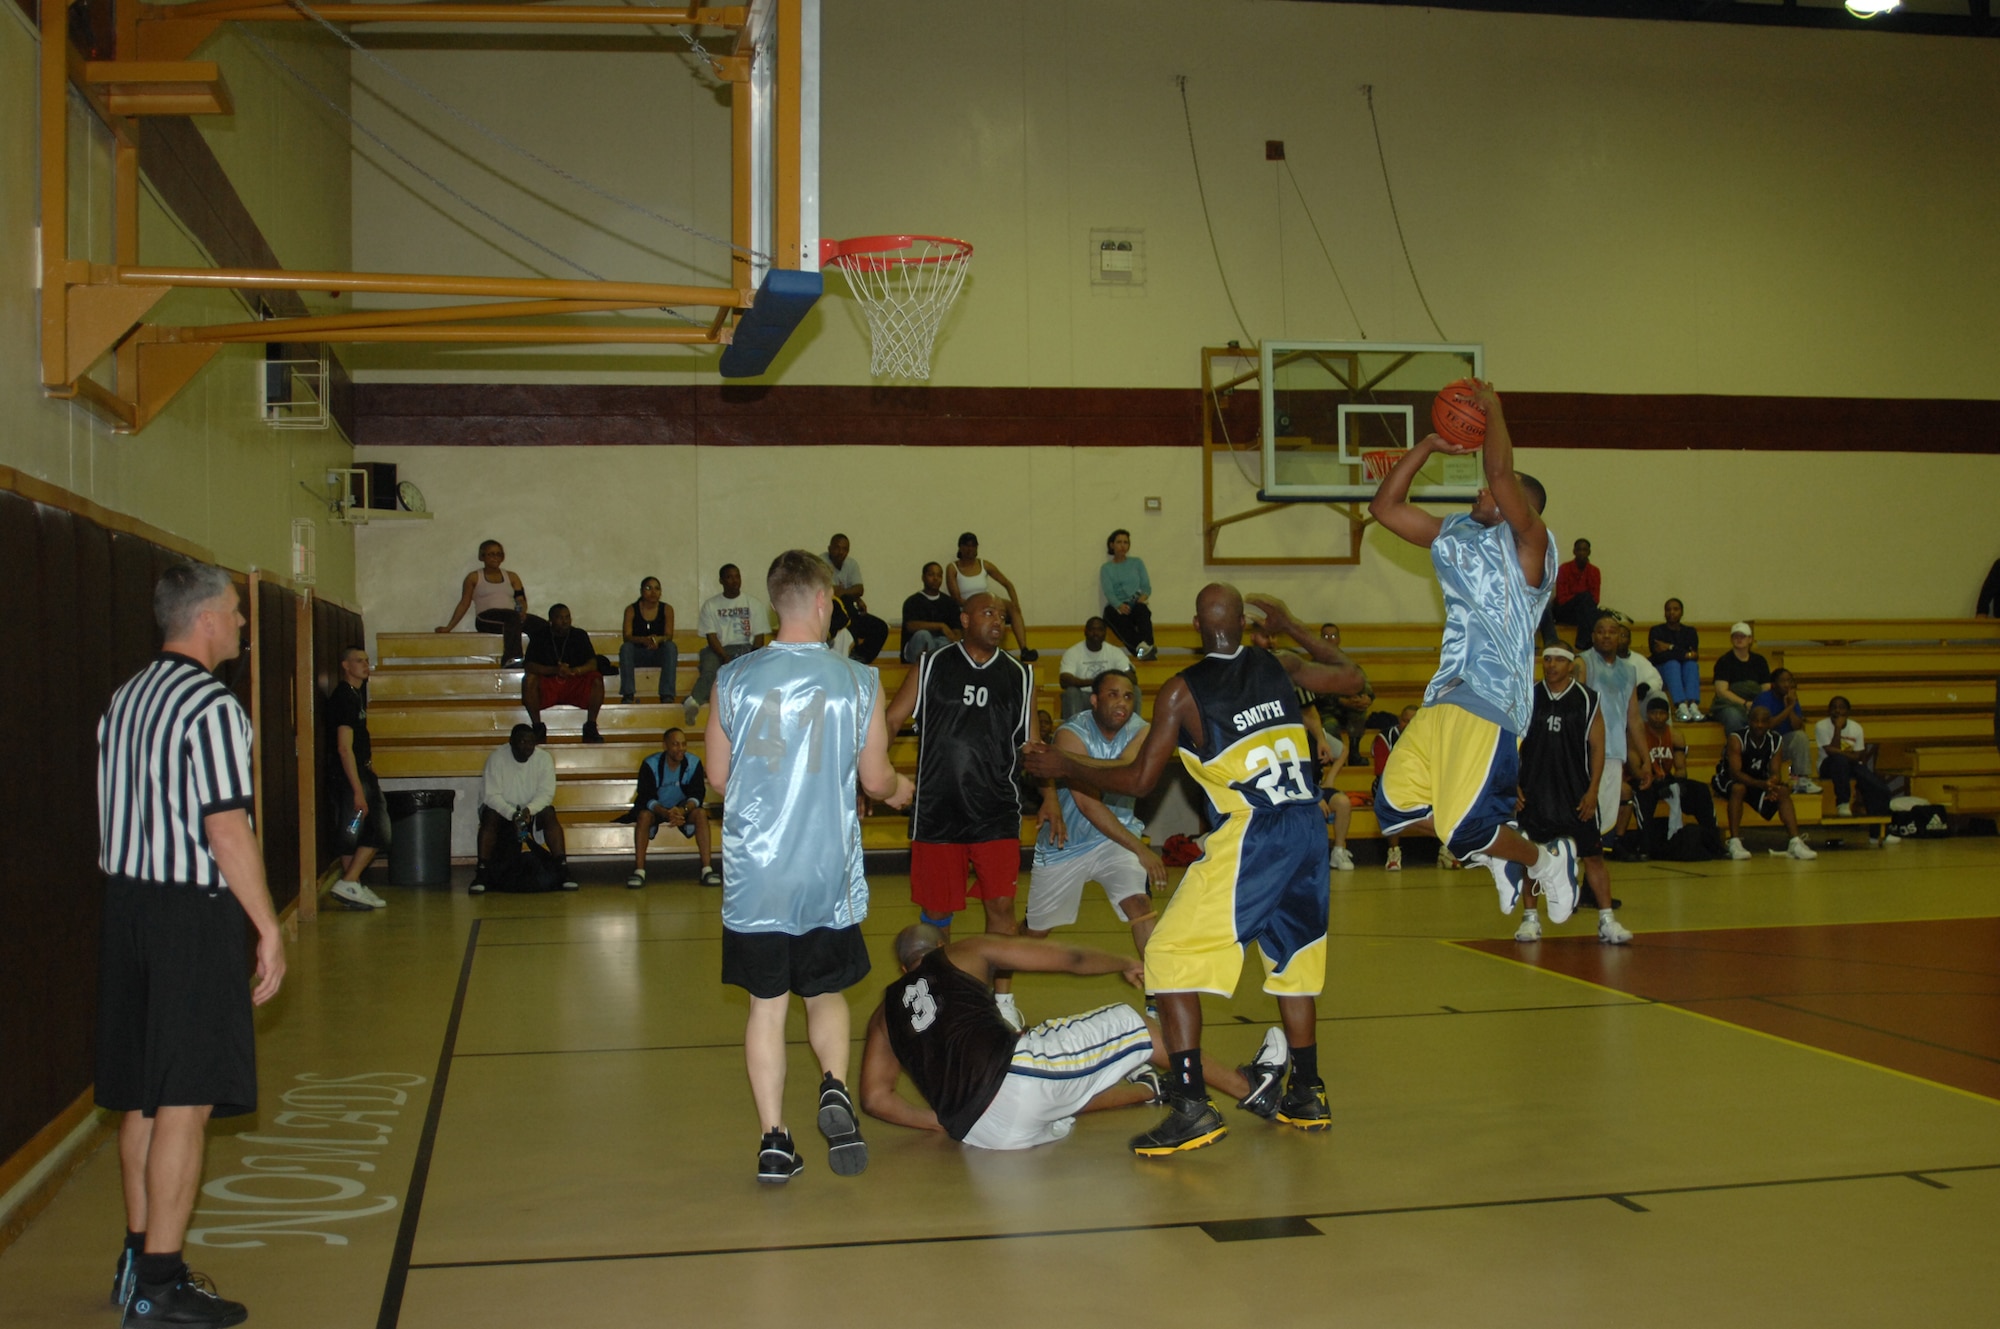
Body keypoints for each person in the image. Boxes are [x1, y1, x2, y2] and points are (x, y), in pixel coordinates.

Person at [1024, 587, 1366, 1155]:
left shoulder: (1183, 691)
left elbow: (1138, 781)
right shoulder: (1278, 665)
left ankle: (1190, 1107)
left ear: (1195, 626)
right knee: (1295, 965)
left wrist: (1064, 766)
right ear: (1242, 622)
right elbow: (1352, 678)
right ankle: (1308, 1091)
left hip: (1252, 831)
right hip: (1308, 828)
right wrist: (1294, 624)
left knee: (1166, 957)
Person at [96, 562, 285, 1327]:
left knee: (142, 1094)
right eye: (237, 611)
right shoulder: (212, 707)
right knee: (184, 1099)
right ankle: (161, 1283)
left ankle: (136, 1256)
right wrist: (267, 925)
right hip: (188, 915)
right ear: (206, 617)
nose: (242, 623)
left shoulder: (126, 697)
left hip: (125, 908)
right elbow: (224, 826)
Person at [703, 550, 914, 1183]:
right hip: (825, 873)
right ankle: (832, 1085)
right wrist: (899, 789)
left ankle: (774, 1139)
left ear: (775, 602)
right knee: (825, 993)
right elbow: (876, 779)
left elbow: (716, 778)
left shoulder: (733, 679)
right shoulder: (859, 681)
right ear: (825, 601)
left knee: (766, 1008)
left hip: (757, 878)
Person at [1366, 382, 1584, 925]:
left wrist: (1496, 411)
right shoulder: (1459, 534)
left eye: (1491, 494)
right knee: (1393, 810)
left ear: (1522, 505)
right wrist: (1425, 448)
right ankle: (1498, 857)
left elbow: (1500, 476)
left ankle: (1546, 860)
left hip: (1491, 698)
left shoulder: (1533, 545)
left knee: (1462, 828)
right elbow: (1384, 508)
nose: (1480, 494)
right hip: (1444, 694)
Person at [859, 926, 1286, 1151]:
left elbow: (876, 1097)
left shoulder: (883, 1014)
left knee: (1051, 1083)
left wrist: (935, 1120)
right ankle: (1251, 1089)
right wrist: (1122, 961)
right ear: (942, 944)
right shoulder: (964, 951)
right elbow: (1070, 958)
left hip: (984, 1135)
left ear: (902, 970)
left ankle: (1147, 1090)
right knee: (1132, 1023)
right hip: (1018, 1082)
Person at [884, 592, 1042, 1031]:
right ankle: (943, 999)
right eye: (989, 612)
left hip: (995, 811)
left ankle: (1004, 1002)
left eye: (1005, 616)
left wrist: (1051, 796)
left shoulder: (1020, 677)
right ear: (965, 618)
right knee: (936, 918)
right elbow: (893, 719)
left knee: (1002, 908)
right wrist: (872, 771)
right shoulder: (932, 665)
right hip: (938, 811)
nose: (999, 621)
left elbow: (1033, 748)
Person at [1025, 671, 1164, 956]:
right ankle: (1000, 993)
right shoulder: (1070, 733)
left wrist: (1066, 763)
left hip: (1117, 837)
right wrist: (1142, 849)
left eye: (1127, 696)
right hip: (1066, 843)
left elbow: (1126, 764)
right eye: (1112, 695)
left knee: (1140, 905)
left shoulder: (1142, 730)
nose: (1121, 703)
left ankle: (1156, 997)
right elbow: (1089, 804)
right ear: (1094, 700)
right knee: (1034, 932)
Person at [1512, 645, 1631, 945]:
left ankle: (1607, 920)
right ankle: (1530, 920)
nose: (1551, 665)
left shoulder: (1588, 700)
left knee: (1592, 857)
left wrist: (1593, 790)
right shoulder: (1527, 695)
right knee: (1532, 857)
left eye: (1559, 661)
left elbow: (1598, 748)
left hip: (1575, 794)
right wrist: (1512, 784)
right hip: (1534, 792)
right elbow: (1506, 743)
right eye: (1547, 659)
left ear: (1571, 665)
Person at [474, 724, 575, 892]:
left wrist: (528, 811)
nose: (527, 746)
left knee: (549, 813)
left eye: (531, 742)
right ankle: (482, 872)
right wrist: (512, 814)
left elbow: (546, 794)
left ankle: (562, 868)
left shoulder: (544, 759)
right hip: (502, 810)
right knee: (489, 815)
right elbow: (491, 796)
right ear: (511, 742)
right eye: (522, 742)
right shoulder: (497, 758)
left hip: (530, 810)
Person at [1713, 706, 1818, 861]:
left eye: (1764, 721)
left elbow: (1775, 771)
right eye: (1755, 721)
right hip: (1727, 779)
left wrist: (1772, 783)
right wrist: (1762, 784)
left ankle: (1795, 842)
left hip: (1757, 781)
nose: (1759, 725)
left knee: (1782, 791)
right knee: (1739, 788)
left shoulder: (1775, 739)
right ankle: (1734, 842)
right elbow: (1735, 773)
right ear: (1749, 722)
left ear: (1770, 723)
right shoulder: (1736, 738)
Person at [617, 728, 718, 887]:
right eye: (676, 744)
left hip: (682, 810)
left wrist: (682, 810)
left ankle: (707, 869)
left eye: (684, 744)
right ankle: (639, 871)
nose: (681, 748)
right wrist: (665, 812)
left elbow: (698, 795)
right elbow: (645, 796)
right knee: (643, 816)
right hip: (656, 810)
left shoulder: (693, 763)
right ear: (665, 746)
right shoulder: (650, 764)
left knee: (700, 814)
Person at [328, 646, 389, 911]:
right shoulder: (344, 697)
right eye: (359, 661)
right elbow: (344, 746)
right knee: (378, 830)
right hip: (352, 778)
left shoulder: (356, 695)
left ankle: (351, 884)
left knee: (351, 833)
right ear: (345, 665)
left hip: (361, 771)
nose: (366, 665)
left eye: (367, 661)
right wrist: (358, 789)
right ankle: (350, 879)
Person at [1580, 615, 1647, 843]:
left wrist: (1646, 758)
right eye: (1600, 631)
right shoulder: (1583, 663)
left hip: (1614, 751)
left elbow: (1634, 718)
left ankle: (1592, 873)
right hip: (1586, 750)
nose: (1606, 635)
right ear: (1593, 636)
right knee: (1582, 811)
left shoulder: (1629, 670)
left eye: (1611, 631)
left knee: (1605, 818)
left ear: (1620, 636)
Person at [1632, 694, 1721, 848]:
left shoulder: (1675, 735)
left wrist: (1678, 784)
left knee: (1700, 790)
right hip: (1645, 779)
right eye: (1654, 713)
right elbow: (1635, 769)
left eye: (1661, 713)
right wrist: (1654, 782)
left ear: (1667, 715)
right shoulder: (1638, 734)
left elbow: (1680, 768)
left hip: (1666, 778)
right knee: (1643, 794)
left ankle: (1713, 841)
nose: (1658, 717)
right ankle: (1644, 845)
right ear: (1647, 715)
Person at [687, 563, 769, 724]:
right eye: (729, 577)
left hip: (746, 648)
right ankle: (693, 703)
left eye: (737, 576)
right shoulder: (710, 605)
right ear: (721, 580)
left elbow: (759, 637)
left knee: (759, 669)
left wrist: (753, 657)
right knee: (710, 670)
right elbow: (711, 636)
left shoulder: (754, 603)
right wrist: (724, 656)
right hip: (718, 649)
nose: (734, 581)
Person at [436, 538, 542, 663]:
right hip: (485, 619)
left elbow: (520, 599)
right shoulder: (474, 577)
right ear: (482, 556)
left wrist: (522, 611)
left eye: (499, 554)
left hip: (511, 618)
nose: (495, 557)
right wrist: (449, 627)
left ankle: (535, 661)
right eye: (491, 554)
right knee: (512, 617)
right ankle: (512, 660)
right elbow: (464, 603)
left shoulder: (512, 576)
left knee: (542, 627)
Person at [1814, 697, 1899, 836]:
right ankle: (1843, 803)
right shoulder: (1821, 726)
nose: (1837, 710)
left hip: (1852, 765)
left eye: (1841, 707)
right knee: (1839, 760)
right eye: (1834, 707)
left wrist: (1841, 753)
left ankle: (1879, 834)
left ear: (1848, 711)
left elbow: (1858, 756)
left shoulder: (1856, 727)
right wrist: (1837, 728)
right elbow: (1831, 752)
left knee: (1879, 788)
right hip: (1828, 766)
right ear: (1829, 711)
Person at [946, 532, 1036, 661]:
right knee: (986, 610)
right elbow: (956, 598)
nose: (969, 549)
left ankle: (1024, 649)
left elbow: (1007, 584)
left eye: (973, 546)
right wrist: (977, 606)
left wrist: (1016, 604)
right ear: (960, 548)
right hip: (967, 605)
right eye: (966, 546)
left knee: (1010, 607)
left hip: (988, 603)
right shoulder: (953, 568)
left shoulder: (984, 565)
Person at [522, 604, 604, 744]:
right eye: (560, 618)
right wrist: (554, 670)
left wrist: (574, 671)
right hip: (549, 683)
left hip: (573, 681)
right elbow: (529, 665)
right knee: (529, 680)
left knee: (596, 678)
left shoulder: (579, 635)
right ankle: (537, 727)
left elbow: (592, 663)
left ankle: (590, 727)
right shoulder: (540, 635)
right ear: (551, 620)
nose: (565, 621)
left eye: (567, 617)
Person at [1752, 668, 1822, 794]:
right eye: (1782, 681)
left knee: (1800, 736)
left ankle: (1802, 780)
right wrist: (1789, 708)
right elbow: (1765, 726)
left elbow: (1797, 726)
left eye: (1789, 681)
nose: (1787, 684)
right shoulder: (1763, 699)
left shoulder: (1791, 699)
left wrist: (1790, 706)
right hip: (1762, 747)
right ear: (1773, 684)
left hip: (1780, 745)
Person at [825, 534, 889, 664]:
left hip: (850, 611)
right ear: (830, 548)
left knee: (880, 627)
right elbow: (830, 592)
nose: (841, 552)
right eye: (837, 548)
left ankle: (858, 660)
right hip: (832, 615)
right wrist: (852, 595)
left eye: (845, 549)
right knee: (848, 613)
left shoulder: (851, 563)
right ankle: (849, 660)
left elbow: (860, 589)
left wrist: (846, 593)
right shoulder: (821, 563)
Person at [1371, 705, 1419, 871]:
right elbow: (1381, 772)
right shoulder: (1385, 738)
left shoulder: (1429, 737)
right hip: (1390, 783)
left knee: (1446, 796)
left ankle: (1447, 851)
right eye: (1406, 721)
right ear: (1400, 720)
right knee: (1389, 799)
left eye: (1414, 722)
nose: (1409, 725)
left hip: (1419, 785)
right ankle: (1393, 852)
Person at [1057, 617, 1133, 720]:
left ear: (1105, 633)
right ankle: (1073, 730)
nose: (1095, 633)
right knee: (1071, 692)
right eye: (1092, 629)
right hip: (1083, 696)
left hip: (1109, 697)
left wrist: (1108, 686)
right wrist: (1096, 682)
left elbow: (1131, 678)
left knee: (1134, 690)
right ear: (1085, 631)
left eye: (1099, 630)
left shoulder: (1115, 652)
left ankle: (1133, 730)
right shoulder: (1073, 652)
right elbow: (1064, 680)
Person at [619, 576, 678, 705]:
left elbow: (669, 635)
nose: (653, 592)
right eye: (648, 588)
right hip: (637, 654)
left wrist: (657, 640)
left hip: (659, 653)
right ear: (641, 591)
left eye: (657, 589)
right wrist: (643, 640)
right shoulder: (631, 609)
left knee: (671, 647)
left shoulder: (667, 609)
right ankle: (628, 694)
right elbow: (627, 636)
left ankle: (667, 694)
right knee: (626, 648)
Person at [1100, 528, 1156, 660]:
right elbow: (1108, 591)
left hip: (1136, 603)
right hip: (1117, 607)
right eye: (1119, 542)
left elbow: (1146, 586)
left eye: (1126, 542)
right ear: (1112, 545)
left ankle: (1145, 650)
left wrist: (1143, 597)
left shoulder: (1137, 562)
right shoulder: (1106, 568)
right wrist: (1119, 605)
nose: (1122, 545)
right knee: (1109, 613)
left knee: (1143, 611)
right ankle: (1145, 652)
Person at [1710, 622, 1771, 738]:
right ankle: (1737, 750)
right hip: (1729, 705)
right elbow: (1722, 691)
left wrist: (1757, 704)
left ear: (1750, 639)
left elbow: (1766, 687)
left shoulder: (1760, 661)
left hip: (1755, 703)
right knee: (1733, 716)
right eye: (1735, 636)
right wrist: (1745, 704)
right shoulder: (1724, 661)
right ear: (1731, 639)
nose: (1739, 639)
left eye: (1742, 636)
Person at [1648, 598, 1703, 722]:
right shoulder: (1656, 631)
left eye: (1675, 609)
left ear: (1682, 612)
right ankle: (1680, 706)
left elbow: (1694, 656)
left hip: (1683, 671)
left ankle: (1692, 705)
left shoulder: (1690, 632)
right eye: (1668, 609)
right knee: (1673, 664)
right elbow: (1659, 657)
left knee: (1691, 665)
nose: (1671, 612)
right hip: (1663, 671)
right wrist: (1684, 653)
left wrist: (1670, 647)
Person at [898, 562, 960, 663]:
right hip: (915, 649)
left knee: (944, 642)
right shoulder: (913, 601)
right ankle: (927, 666)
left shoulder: (950, 603)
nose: (935, 578)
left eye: (939, 575)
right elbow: (910, 626)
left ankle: (937, 668)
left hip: (939, 644)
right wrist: (940, 626)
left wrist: (956, 638)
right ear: (923, 577)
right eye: (931, 575)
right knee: (924, 635)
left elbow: (957, 631)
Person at [1548, 538, 1601, 650]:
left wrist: (1582, 601)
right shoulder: (1564, 569)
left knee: (1589, 609)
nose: (1582, 552)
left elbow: (1595, 599)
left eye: (1584, 550)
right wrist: (1579, 598)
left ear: (1589, 552)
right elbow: (1562, 599)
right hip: (1565, 611)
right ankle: (1584, 642)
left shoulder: (1594, 571)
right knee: (1585, 598)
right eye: (1579, 549)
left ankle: (1582, 642)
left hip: (1583, 613)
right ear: (1574, 551)